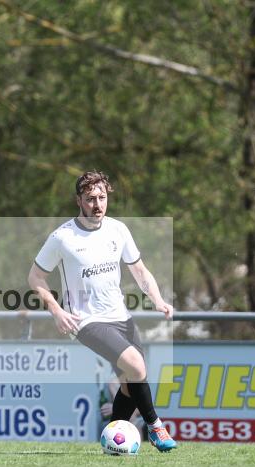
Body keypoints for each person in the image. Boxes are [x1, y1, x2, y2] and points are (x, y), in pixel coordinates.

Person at [27, 170, 177, 452]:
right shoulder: (62, 237)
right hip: (86, 321)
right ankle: (156, 427)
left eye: (102, 197)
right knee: (137, 366)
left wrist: (157, 300)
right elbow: (35, 278)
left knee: (130, 384)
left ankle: (113, 441)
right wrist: (57, 310)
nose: (97, 204)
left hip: (121, 316)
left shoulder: (118, 229)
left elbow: (140, 271)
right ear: (78, 201)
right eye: (90, 199)